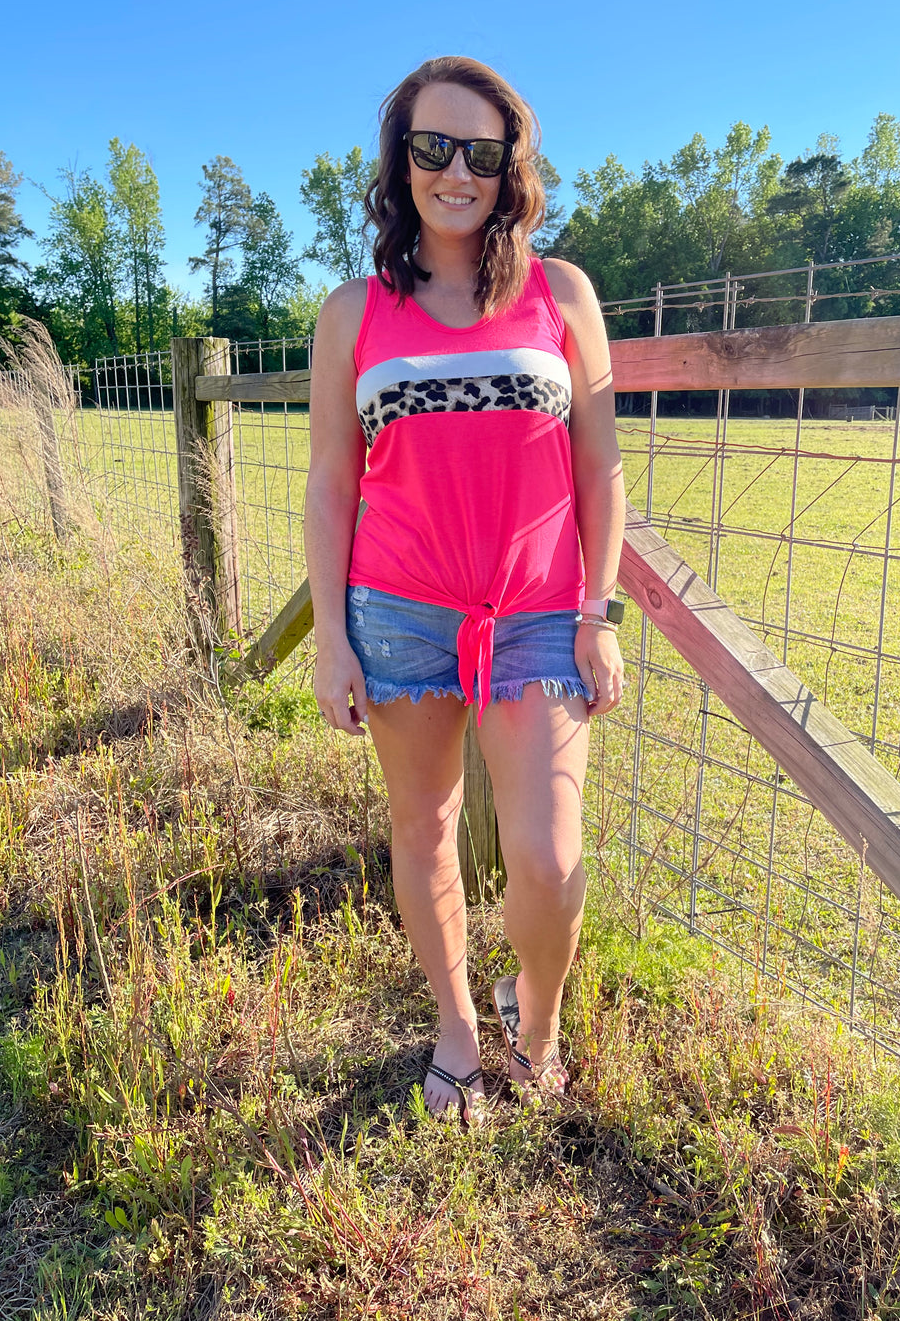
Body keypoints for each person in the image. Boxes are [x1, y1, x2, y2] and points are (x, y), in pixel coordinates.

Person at [304, 56, 624, 1123]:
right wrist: (331, 642)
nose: (455, 172)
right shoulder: (353, 313)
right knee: (423, 826)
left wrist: (597, 613)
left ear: (509, 167)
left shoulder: (559, 293)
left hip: (537, 616)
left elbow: (599, 471)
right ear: (401, 161)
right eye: (432, 147)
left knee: (546, 851)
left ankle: (536, 1024)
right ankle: (454, 1026)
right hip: (395, 615)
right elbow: (330, 485)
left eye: (480, 153)